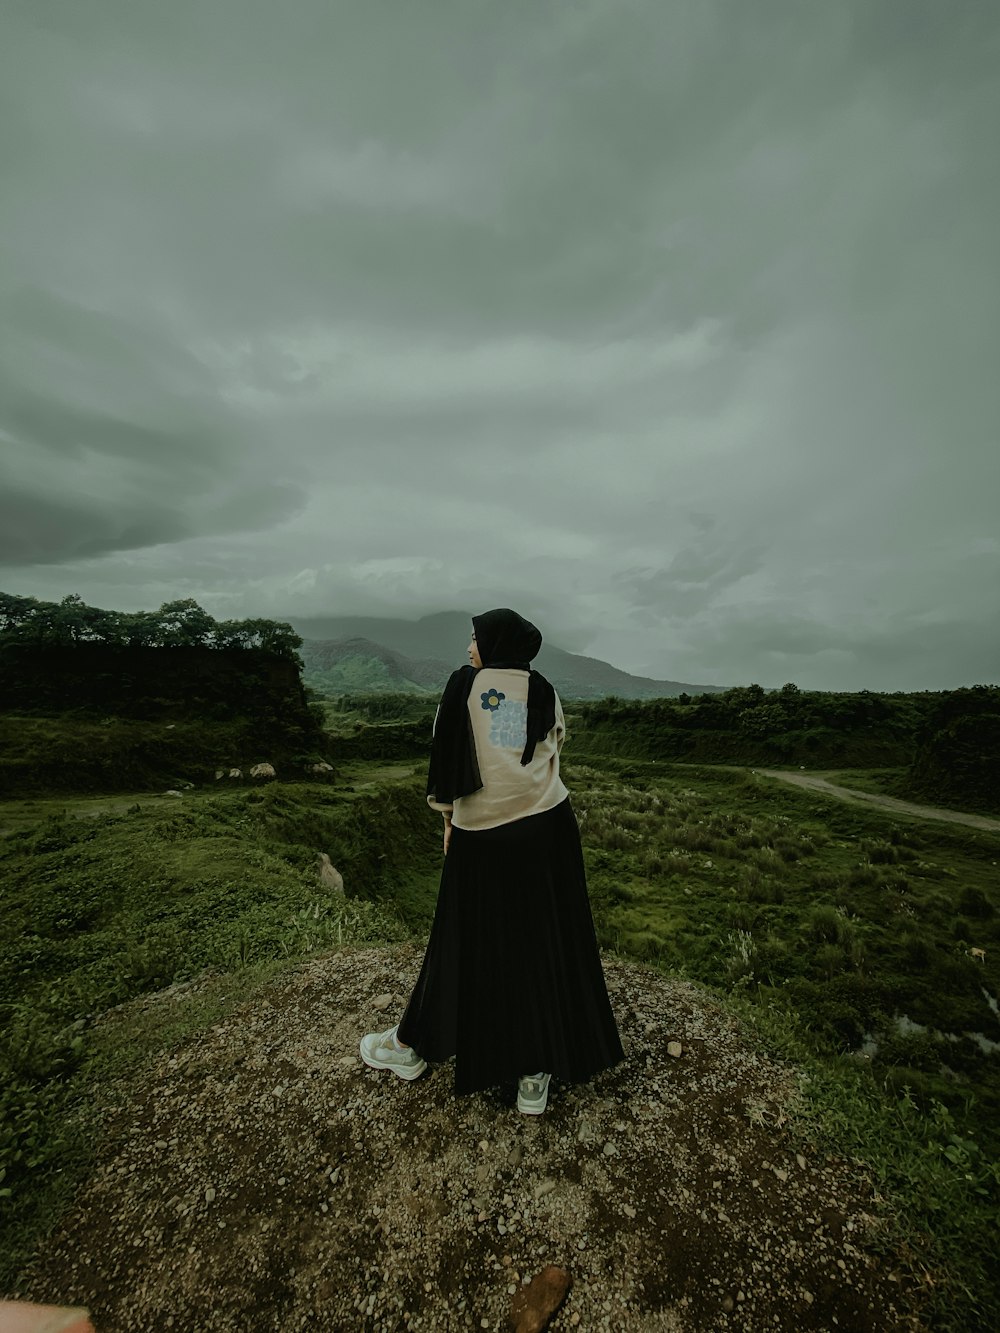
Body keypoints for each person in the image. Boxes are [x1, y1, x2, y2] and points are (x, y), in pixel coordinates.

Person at [360, 607, 623, 1114]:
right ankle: (534, 1072)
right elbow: (548, 752)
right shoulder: (545, 690)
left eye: (474, 637)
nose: (468, 648)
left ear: (493, 642)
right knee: (543, 939)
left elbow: (448, 758)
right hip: (547, 829)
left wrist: (447, 822)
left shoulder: (463, 687)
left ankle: (411, 1047)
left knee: (460, 939)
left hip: (480, 833)